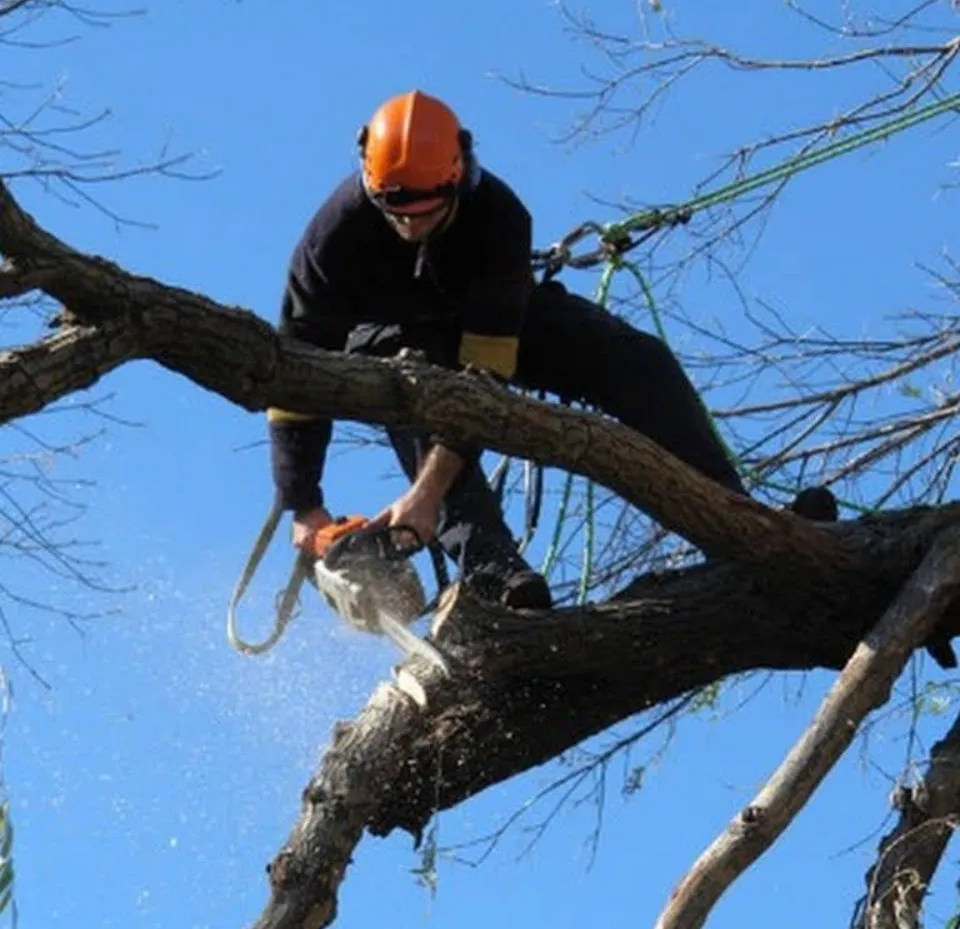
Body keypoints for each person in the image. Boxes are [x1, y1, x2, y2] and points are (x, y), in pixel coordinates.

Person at [267, 89, 747, 612]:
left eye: (426, 213)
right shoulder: (331, 242)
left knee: (637, 361)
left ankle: (737, 522)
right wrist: (303, 504)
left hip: (489, 323)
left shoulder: (498, 217)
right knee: (413, 390)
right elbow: (294, 374)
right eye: (396, 212)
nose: (411, 226)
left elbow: (483, 382)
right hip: (391, 342)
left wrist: (426, 495)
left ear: (457, 176)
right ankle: (495, 570)